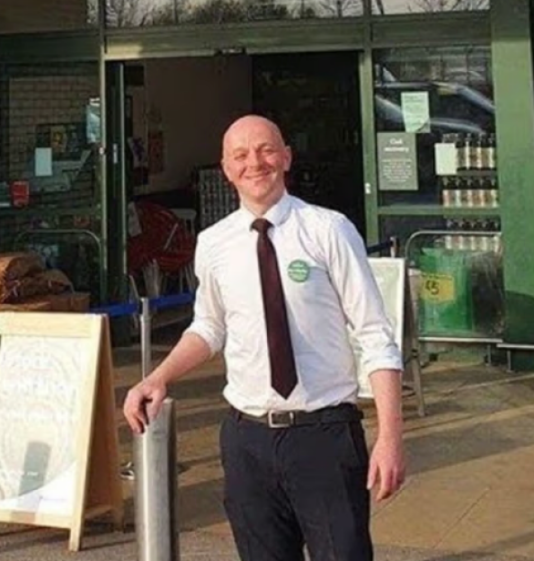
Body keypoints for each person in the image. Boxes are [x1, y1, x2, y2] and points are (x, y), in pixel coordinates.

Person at [124, 114, 406, 561]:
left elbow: (375, 335)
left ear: (286, 157)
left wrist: (390, 437)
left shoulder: (329, 230)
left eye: (266, 150)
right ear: (226, 168)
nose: (255, 162)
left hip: (324, 435)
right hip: (247, 441)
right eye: (241, 155)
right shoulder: (214, 243)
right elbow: (208, 327)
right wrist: (158, 376)